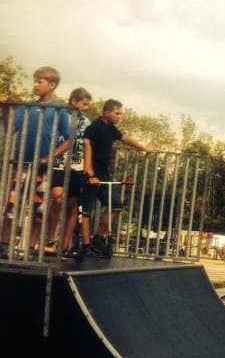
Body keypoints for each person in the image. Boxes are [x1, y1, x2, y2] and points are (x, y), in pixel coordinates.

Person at [0, 66, 72, 258]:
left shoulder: (59, 110)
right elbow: (10, 129)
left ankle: (31, 249)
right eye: (35, 81)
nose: (35, 85)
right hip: (23, 163)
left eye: (39, 81)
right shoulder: (27, 107)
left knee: (38, 210)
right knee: (11, 205)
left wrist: (50, 157)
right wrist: (5, 110)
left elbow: (69, 138)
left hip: (42, 167)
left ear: (52, 84)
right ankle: (3, 246)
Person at [79, 99, 151, 258]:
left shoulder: (111, 130)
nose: (120, 116)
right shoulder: (93, 128)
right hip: (90, 176)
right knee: (86, 212)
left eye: (120, 114)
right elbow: (87, 148)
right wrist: (90, 174)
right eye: (117, 113)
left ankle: (98, 237)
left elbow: (126, 139)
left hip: (104, 176)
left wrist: (145, 148)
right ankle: (85, 245)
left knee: (117, 205)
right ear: (106, 113)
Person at [49, 87, 93, 257]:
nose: (86, 107)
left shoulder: (86, 122)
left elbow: (88, 145)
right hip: (59, 163)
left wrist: (88, 168)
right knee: (58, 199)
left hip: (77, 166)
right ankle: (50, 239)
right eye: (84, 103)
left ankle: (64, 244)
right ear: (74, 101)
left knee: (73, 205)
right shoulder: (61, 115)